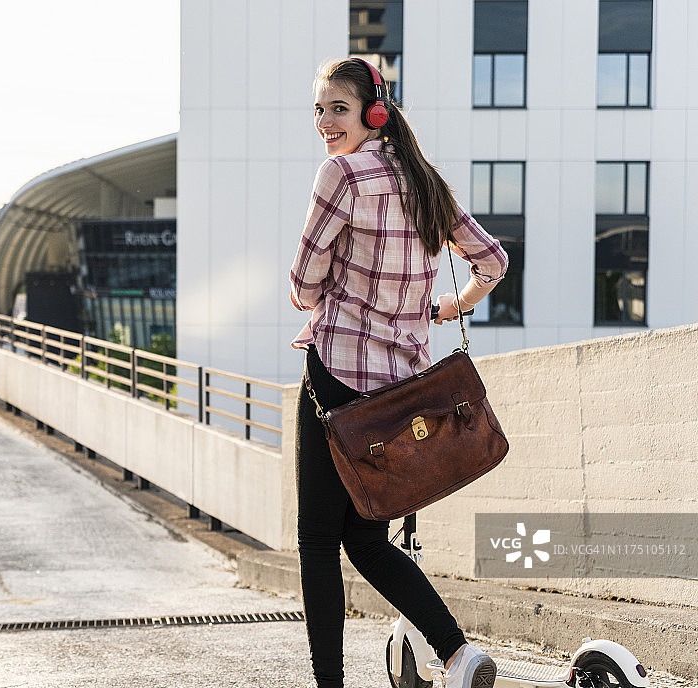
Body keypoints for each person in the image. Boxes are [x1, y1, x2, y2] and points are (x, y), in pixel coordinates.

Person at [289, 58, 509, 688]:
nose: (326, 122)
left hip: (336, 377)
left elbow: (305, 283)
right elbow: (489, 262)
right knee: (365, 535)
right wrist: (447, 307)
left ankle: (329, 682)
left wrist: (320, 293)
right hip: (398, 391)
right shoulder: (420, 179)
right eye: (319, 109)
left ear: (372, 111)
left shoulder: (341, 174)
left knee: (318, 537)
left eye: (338, 108)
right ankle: (457, 653)